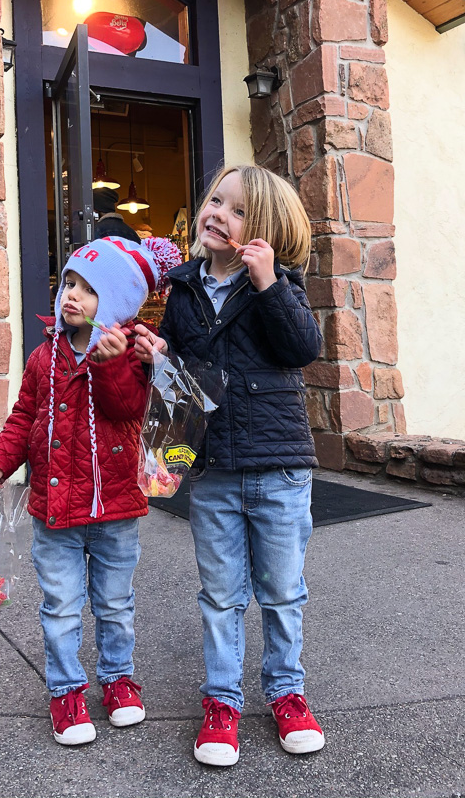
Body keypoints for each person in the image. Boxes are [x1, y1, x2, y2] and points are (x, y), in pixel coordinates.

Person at [134, 164, 325, 767]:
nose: (218, 213)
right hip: (212, 468)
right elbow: (182, 378)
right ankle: (222, 702)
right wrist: (160, 354)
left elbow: (301, 350)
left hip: (278, 466)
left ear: (264, 229)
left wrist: (266, 282)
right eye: (215, 200)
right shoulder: (183, 287)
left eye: (237, 209)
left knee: (281, 591)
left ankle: (287, 694)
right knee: (220, 594)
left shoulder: (281, 283)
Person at [0, 236, 163, 747]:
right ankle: (66, 690)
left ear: (119, 304)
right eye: (69, 284)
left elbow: (127, 409)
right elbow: (24, 417)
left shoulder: (130, 355)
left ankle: (119, 680)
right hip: (54, 510)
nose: (72, 296)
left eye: (88, 289)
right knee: (60, 606)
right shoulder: (44, 356)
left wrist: (108, 364)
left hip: (114, 507)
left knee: (114, 603)